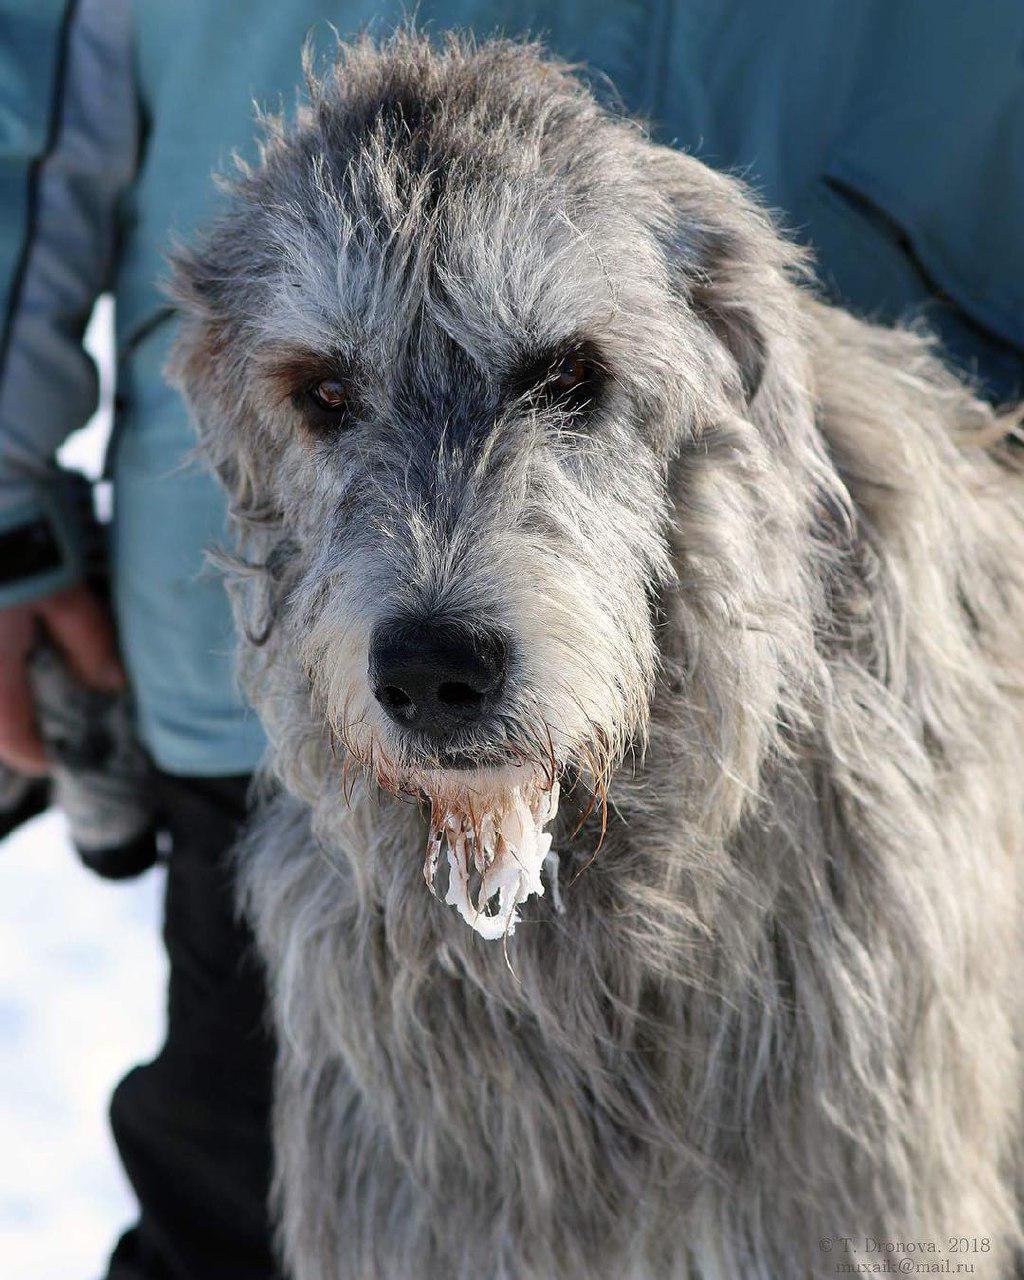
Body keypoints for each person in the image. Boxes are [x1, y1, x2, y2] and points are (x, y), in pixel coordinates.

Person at [1, 2, 1021, 1276]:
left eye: (566, 386)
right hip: (276, 726)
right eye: (328, 399)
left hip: (901, 628)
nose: (445, 563)